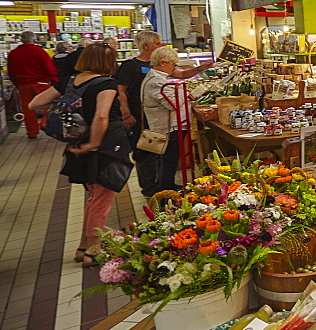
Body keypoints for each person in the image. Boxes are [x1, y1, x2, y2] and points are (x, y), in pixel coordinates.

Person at [28, 44, 131, 266]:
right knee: (103, 199)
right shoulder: (106, 83)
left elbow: (34, 103)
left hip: (78, 144)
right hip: (104, 146)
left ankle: (83, 246)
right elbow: (102, 116)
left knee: (94, 198)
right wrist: (94, 142)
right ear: (108, 62)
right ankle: (93, 251)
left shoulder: (69, 82)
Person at [116, 30, 213, 196]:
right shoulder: (135, 68)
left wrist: (199, 69)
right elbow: (121, 91)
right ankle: (154, 189)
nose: (159, 45)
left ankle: (163, 186)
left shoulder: (157, 72)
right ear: (146, 46)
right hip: (148, 119)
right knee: (148, 153)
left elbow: (180, 75)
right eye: (157, 43)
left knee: (162, 156)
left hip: (156, 118)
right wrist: (126, 113)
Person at [142, 47, 192, 192]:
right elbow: (174, 104)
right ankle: (165, 193)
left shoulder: (155, 78)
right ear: (163, 63)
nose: (174, 68)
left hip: (168, 125)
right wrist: (184, 91)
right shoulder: (157, 82)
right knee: (169, 161)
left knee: (167, 160)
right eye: (173, 64)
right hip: (169, 127)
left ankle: (168, 186)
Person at [6, 31, 58, 139]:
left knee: (28, 109)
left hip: (23, 85)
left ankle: (32, 132)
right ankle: (49, 126)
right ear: (34, 39)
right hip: (41, 83)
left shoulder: (13, 53)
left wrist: (17, 84)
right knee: (50, 106)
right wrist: (55, 81)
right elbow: (49, 68)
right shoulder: (40, 51)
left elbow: (11, 71)